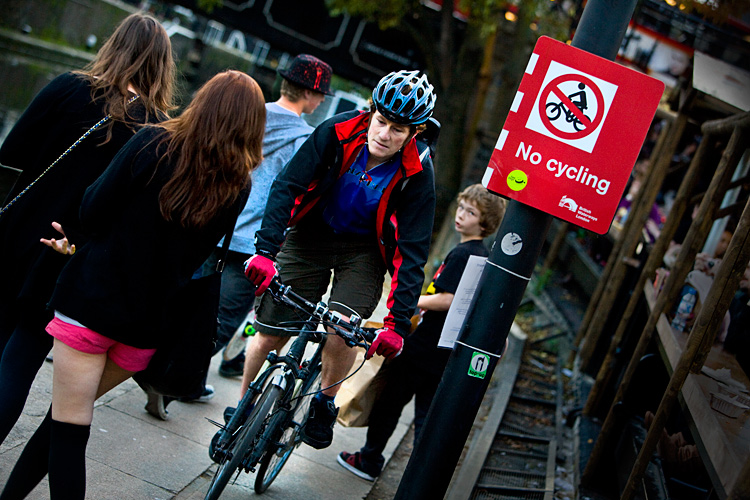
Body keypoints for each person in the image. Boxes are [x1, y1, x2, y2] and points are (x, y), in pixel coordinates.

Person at [0, 70, 266, 499]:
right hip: (146, 329)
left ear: (202, 102)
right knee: (64, 419)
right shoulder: (237, 184)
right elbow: (197, 256)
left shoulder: (153, 142)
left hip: (92, 305)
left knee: (69, 428)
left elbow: (92, 210)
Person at [238, 69, 438, 452]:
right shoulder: (336, 130)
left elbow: (412, 251)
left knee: (344, 326)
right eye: (381, 122)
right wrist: (264, 253)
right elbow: (287, 186)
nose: (385, 134)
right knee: (270, 330)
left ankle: (324, 403)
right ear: (370, 112)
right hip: (312, 233)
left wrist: (396, 324)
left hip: (362, 252)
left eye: (398, 130)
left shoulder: (418, 173)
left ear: (415, 133)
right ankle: (244, 403)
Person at [0, 12, 175, 446]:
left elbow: (12, 152)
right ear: (162, 66)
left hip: (18, 234)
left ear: (113, 45)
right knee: (20, 361)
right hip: (71, 255)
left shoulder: (68, 88)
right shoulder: (156, 130)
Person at [144, 54, 333, 419]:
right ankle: (169, 381)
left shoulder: (249, 114)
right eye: (321, 94)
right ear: (311, 94)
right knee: (220, 320)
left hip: (210, 224)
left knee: (182, 302)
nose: (322, 101)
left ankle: (167, 371)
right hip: (252, 244)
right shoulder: (306, 141)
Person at [337, 184, 506, 481]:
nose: (461, 215)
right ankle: (421, 475)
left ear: (484, 222)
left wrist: (413, 302)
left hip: (423, 347)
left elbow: (448, 298)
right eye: (462, 207)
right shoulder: (479, 254)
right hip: (443, 349)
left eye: (471, 212)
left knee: (389, 403)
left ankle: (369, 458)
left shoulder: (465, 253)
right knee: (427, 414)